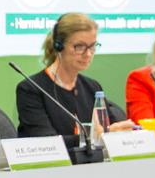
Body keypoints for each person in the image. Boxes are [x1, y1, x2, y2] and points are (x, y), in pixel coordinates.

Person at [17, 12, 135, 143]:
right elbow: (46, 143)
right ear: (59, 45)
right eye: (80, 47)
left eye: (92, 46)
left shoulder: (93, 87)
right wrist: (94, 137)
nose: (88, 54)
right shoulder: (31, 89)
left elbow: (109, 129)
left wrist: (120, 131)